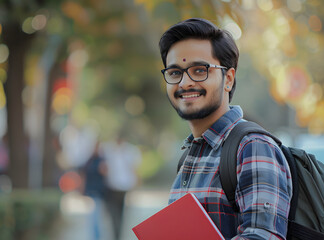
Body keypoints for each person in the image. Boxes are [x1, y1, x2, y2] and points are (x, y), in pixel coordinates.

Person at [159, 18, 292, 239]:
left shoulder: (252, 147)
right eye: (175, 73)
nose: (184, 83)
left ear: (228, 79)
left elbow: (263, 236)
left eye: (199, 70)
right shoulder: (190, 156)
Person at [102, 135, 141, 240]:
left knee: (121, 214)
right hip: (111, 186)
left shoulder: (131, 151)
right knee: (113, 214)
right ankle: (116, 235)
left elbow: (134, 169)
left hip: (124, 187)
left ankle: (117, 235)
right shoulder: (107, 149)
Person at [79, 140, 107, 240]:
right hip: (90, 192)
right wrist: (82, 190)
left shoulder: (102, 160)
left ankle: (96, 237)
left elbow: (105, 173)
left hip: (98, 192)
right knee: (91, 218)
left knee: (95, 217)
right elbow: (83, 176)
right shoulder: (88, 161)